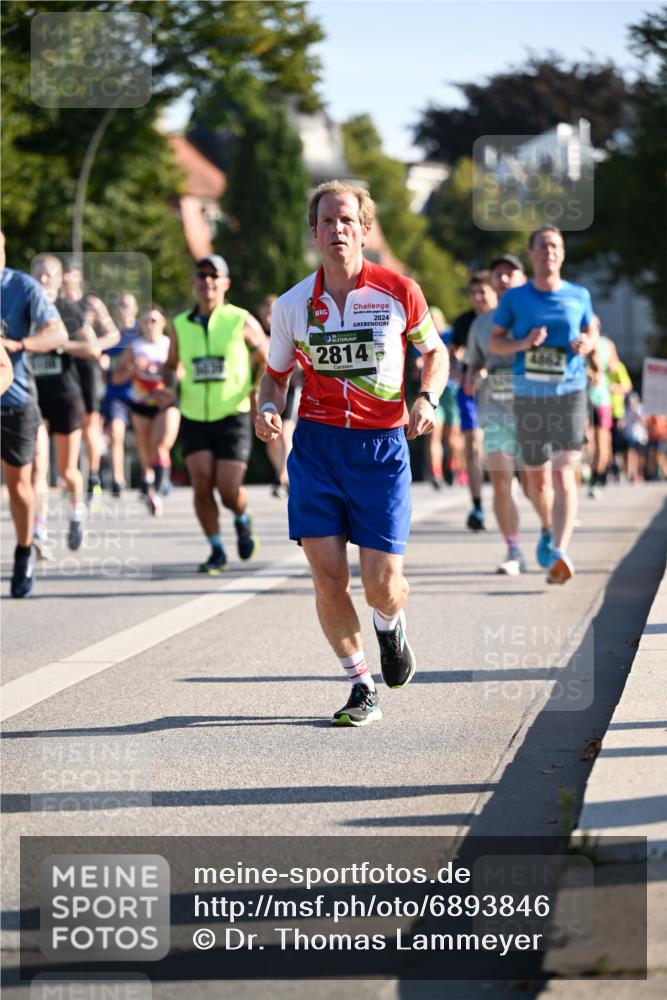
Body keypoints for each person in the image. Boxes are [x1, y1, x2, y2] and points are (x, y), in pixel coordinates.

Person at [255, 180, 448, 727]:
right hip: (316, 447)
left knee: (382, 583)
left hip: (381, 447)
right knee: (326, 576)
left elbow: (435, 353)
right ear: (314, 232)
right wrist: (267, 409)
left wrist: (428, 397)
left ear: (364, 230)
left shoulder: (399, 291)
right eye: (327, 221)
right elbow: (273, 378)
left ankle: (390, 624)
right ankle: (360, 684)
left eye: (347, 221)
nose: (337, 230)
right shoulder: (294, 304)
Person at [490, 227, 599, 584]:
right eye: (543, 246)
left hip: (570, 391)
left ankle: (560, 552)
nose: (550, 251)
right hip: (530, 395)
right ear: (532, 254)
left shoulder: (578, 294)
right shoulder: (515, 299)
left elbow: (592, 326)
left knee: (564, 471)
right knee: (537, 482)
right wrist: (523, 343)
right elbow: (497, 343)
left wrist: (587, 342)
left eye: (556, 246)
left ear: (562, 254)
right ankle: (549, 528)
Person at [164, 254, 269, 571]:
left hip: (232, 414)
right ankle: (216, 549)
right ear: (194, 281)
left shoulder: (240, 319)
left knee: (227, 488)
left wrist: (254, 388)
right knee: (200, 483)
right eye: (201, 275)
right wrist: (170, 387)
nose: (207, 281)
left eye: (214, 276)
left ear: (225, 283)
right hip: (194, 414)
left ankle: (242, 517)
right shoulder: (180, 324)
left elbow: (266, 356)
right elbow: (171, 365)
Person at [1, 231, 67, 597]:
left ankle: (25, 549)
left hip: (15, 401)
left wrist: (19, 344)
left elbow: (57, 333)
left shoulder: (22, 286)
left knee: (20, 489)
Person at [30, 254, 100, 555]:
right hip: (34, 397)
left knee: (67, 471)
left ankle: (76, 513)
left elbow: (93, 347)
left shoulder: (68, 310)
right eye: (39, 274)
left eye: (50, 275)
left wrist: (61, 344)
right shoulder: (24, 310)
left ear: (60, 281)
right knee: (37, 467)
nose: (44, 280)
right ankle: (39, 531)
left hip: (66, 397)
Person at [464, 253, 528, 574]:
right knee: (502, 480)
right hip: (497, 413)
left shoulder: (537, 314)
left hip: (537, 412)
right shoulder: (482, 323)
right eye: (498, 274)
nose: (503, 279)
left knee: (535, 485)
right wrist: (474, 375)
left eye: (510, 274)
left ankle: (548, 532)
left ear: (523, 280)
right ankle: (513, 549)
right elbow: (472, 366)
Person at [61, 258, 120, 505]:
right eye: (63, 274)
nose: (66, 278)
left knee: (88, 426)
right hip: (63, 368)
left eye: (71, 273)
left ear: (78, 276)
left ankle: (93, 476)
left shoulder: (91, 303)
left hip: (87, 370)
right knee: (65, 426)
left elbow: (114, 335)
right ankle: (70, 475)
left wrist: (94, 346)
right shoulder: (53, 304)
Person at [111, 304, 180, 515]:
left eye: (154, 320)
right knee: (146, 451)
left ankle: (157, 493)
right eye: (145, 321)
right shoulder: (135, 347)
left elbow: (183, 373)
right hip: (141, 405)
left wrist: (162, 373)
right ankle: (151, 481)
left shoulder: (170, 345)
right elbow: (116, 377)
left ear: (163, 323)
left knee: (161, 445)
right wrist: (133, 369)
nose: (150, 325)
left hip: (166, 403)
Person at [452, 274, 497, 529]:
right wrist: (457, 369)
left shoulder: (504, 320)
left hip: (500, 391)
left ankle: (504, 491)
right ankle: (478, 505)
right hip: (470, 390)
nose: (478, 298)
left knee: (497, 448)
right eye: (474, 293)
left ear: (494, 294)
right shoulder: (463, 321)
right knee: (473, 447)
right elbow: (452, 352)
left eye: (483, 292)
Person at [256, 292, 303, 499]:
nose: (269, 313)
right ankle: (284, 474)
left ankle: (283, 476)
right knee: (271, 438)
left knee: (286, 432)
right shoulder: (256, 336)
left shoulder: (287, 329)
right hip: (264, 390)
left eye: (273, 309)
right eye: (266, 309)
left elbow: (301, 357)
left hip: (290, 388)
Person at [102, 292, 141, 496]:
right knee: (116, 433)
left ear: (135, 308)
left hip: (141, 393)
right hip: (116, 394)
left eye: (126, 305)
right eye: (118, 305)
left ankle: (150, 478)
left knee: (145, 439)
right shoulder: (111, 334)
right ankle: (118, 480)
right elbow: (105, 366)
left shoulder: (142, 331)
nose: (122, 309)